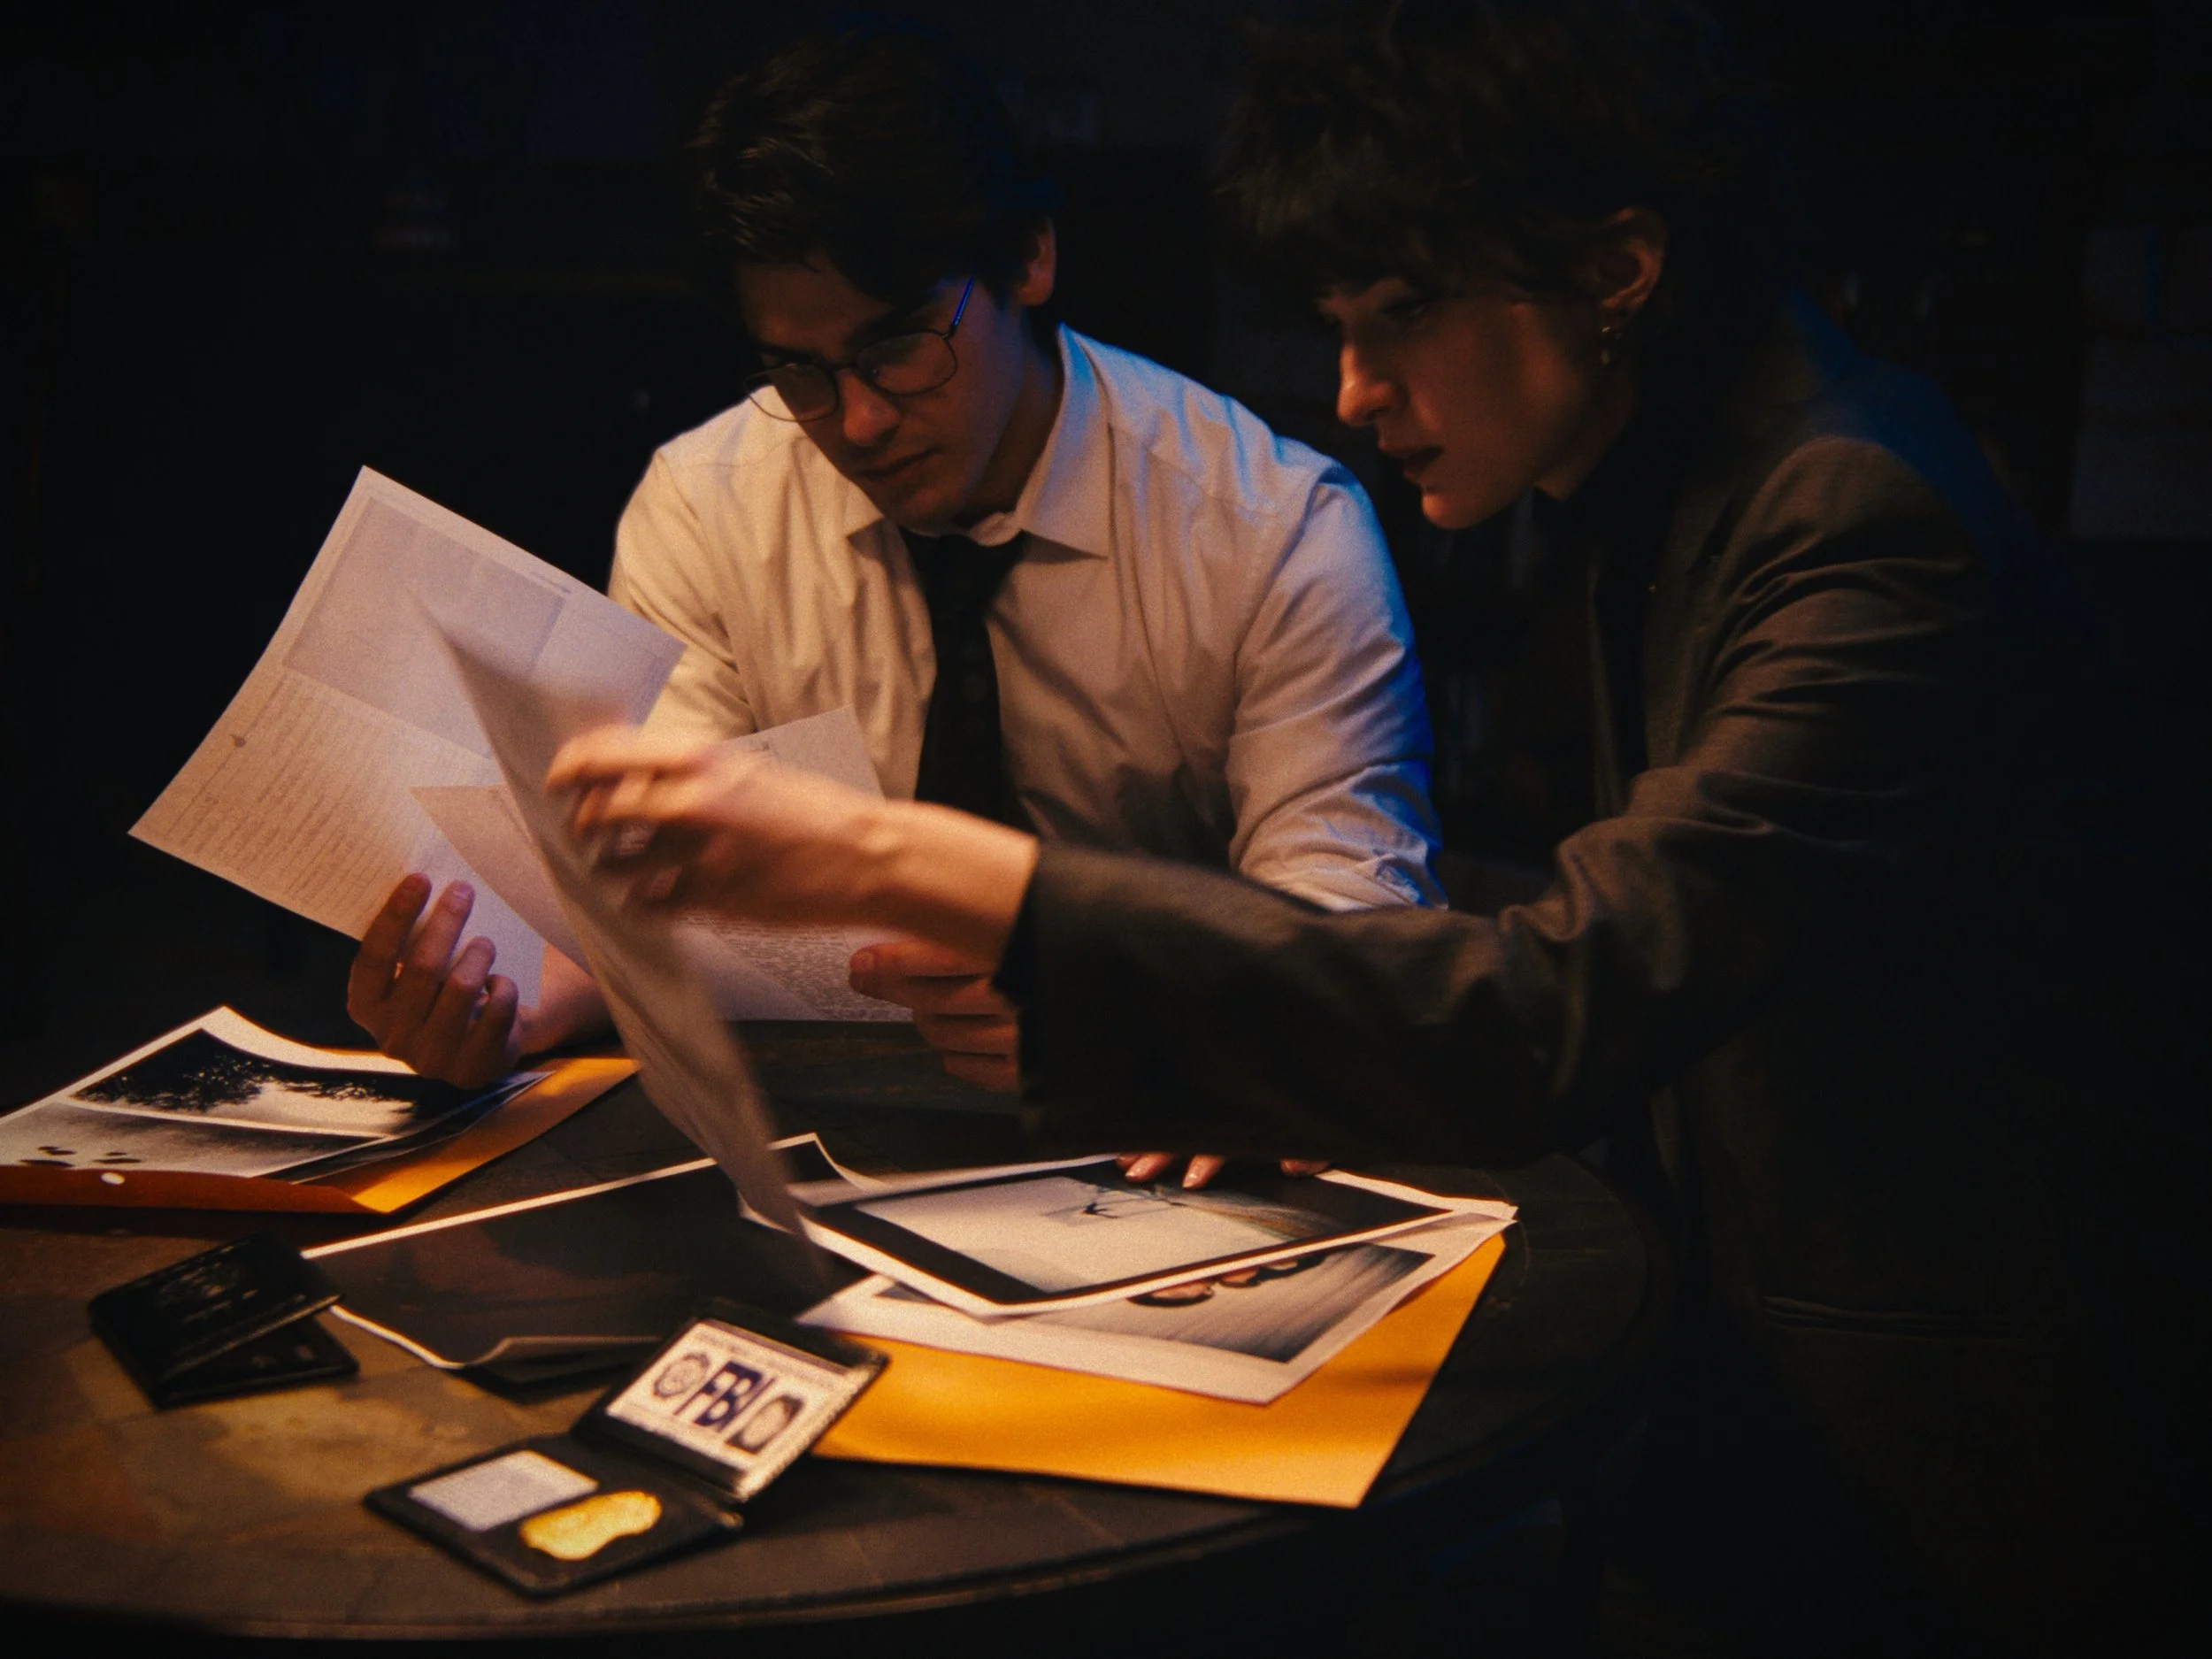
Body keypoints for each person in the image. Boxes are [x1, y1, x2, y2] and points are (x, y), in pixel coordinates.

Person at [541, 2, 2204, 1652]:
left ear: (1619, 268)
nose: (1352, 388)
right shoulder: (1678, 484)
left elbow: (1550, 1011)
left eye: (1399, 316)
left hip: (1962, 1444)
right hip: (1754, 1373)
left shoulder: (1853, 517)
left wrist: (919, 865)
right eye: (1338, 321)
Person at [345, 21, 1440, 1093]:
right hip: (816, 1114)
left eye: (899, 347)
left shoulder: (1269, 526)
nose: (857, 422)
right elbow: (655, 893)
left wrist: (1140, 1005)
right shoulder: (710, 503)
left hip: (1154, 1119)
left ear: (1029, 260)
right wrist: (516, 1000)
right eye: (799, 371)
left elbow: (1351, 926)